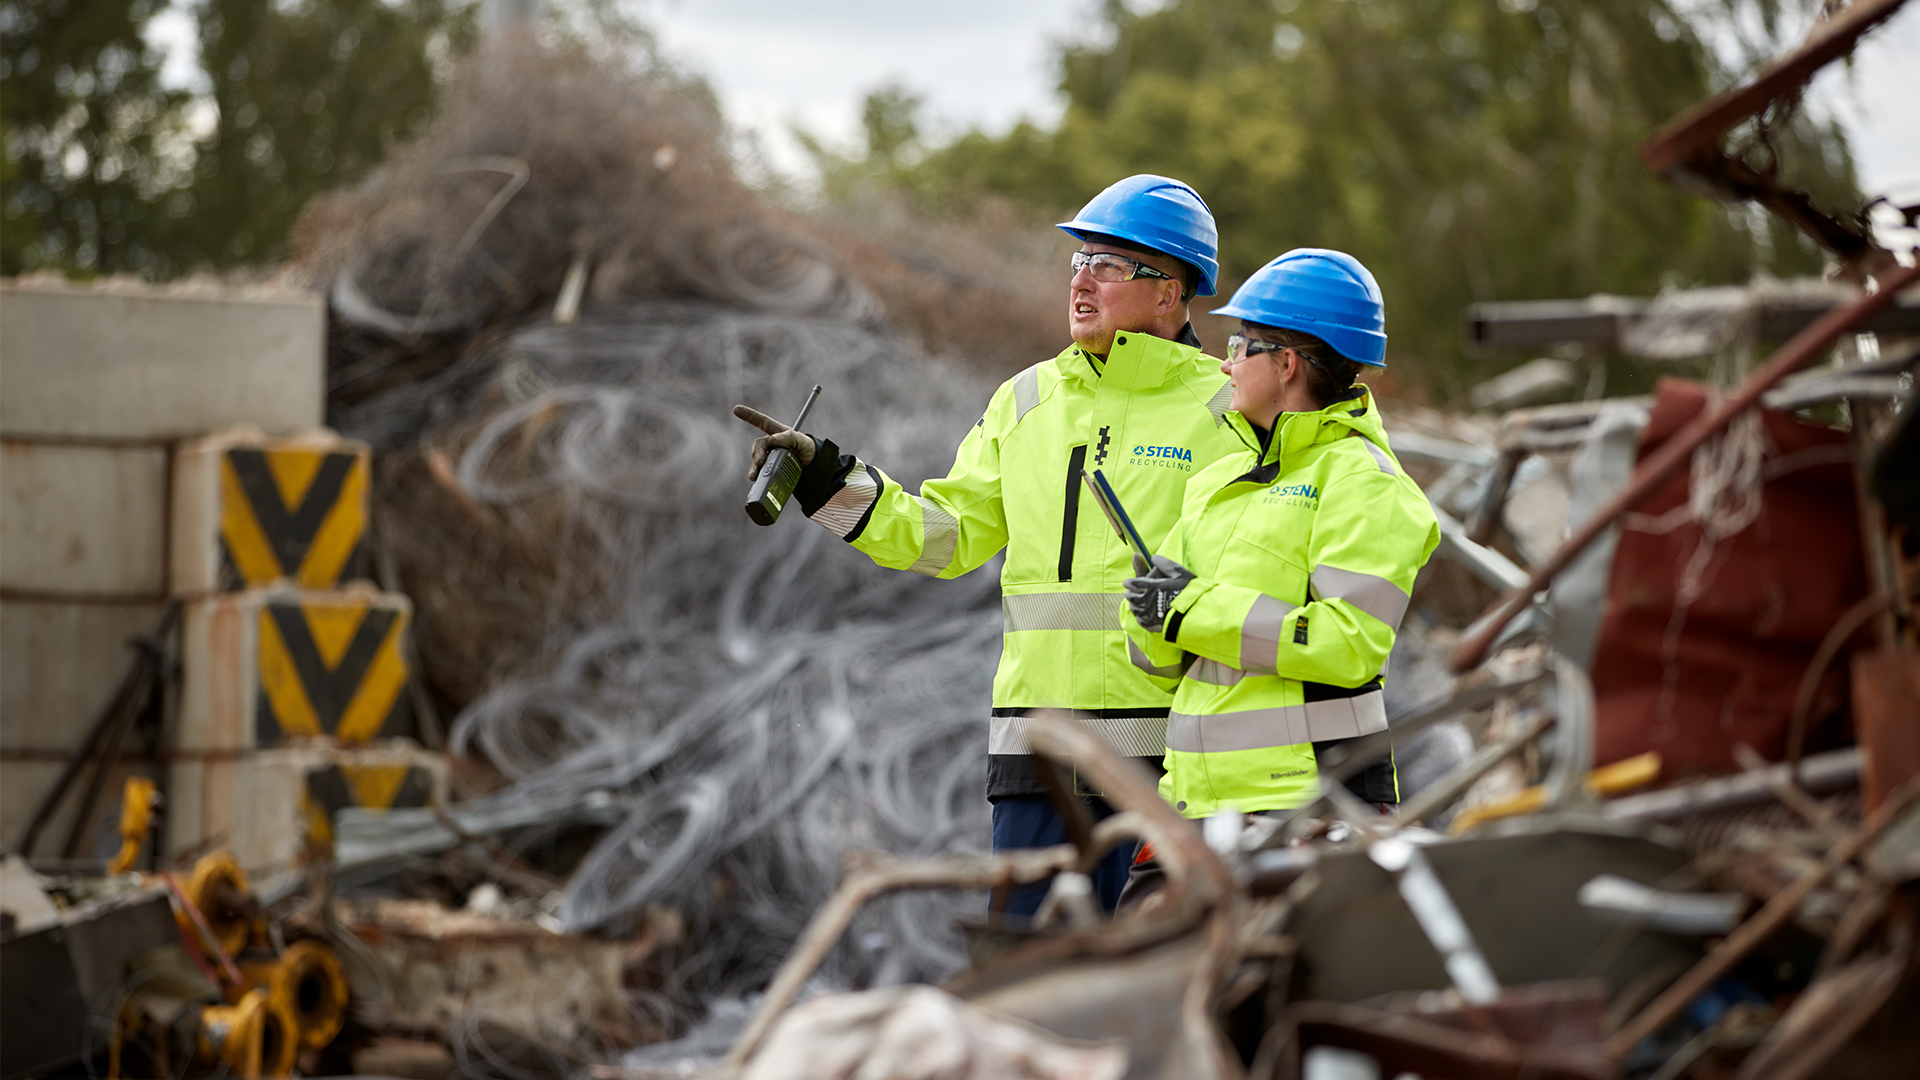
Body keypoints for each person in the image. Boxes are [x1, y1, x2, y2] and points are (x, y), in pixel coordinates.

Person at [733, 175, 1242, 916]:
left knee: (1159, 991)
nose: (1082, 282)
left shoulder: (1228, 407)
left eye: (1108, 265)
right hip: (1037, 763)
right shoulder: (1025, 400)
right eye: (1078, 262)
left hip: (1173, 767)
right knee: (1030, 988)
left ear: (1169, 293)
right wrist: (826, 482)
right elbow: (946, 536)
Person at [1121, 248, 1440, 835]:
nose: (1225, 366)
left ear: (1287, 363)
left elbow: (1348, 647)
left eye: (1240, 347)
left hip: (1314, 810)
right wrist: (1149, 612)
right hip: (1193, 806)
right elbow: (1158, 660)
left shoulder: (1365, 485)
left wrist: (1186, 607)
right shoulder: (1219, 482)